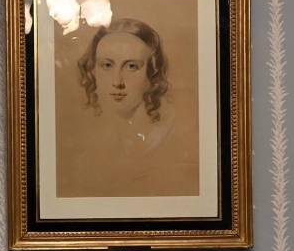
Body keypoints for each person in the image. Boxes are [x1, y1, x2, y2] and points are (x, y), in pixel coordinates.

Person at [56, 18, 199, 198]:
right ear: (94, 70)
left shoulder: (181, 137)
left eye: (131, 66)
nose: (117, 82)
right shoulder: (89, 144)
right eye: (107, 65)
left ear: (152, 74)